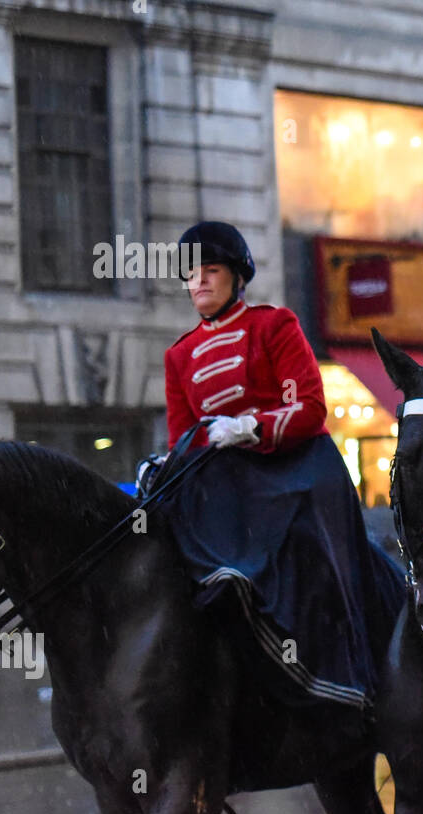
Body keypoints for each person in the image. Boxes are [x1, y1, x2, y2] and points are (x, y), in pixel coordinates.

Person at [162, 221, 401, 713]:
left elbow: (310, 408)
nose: (199, 282)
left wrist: (250, 426)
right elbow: (182, 440)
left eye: (211, 270)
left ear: (237, 278)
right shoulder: (179, 356)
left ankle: (353, 666)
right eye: (192, 274)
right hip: (223, 482)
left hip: (292, 470)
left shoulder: (274, 325)